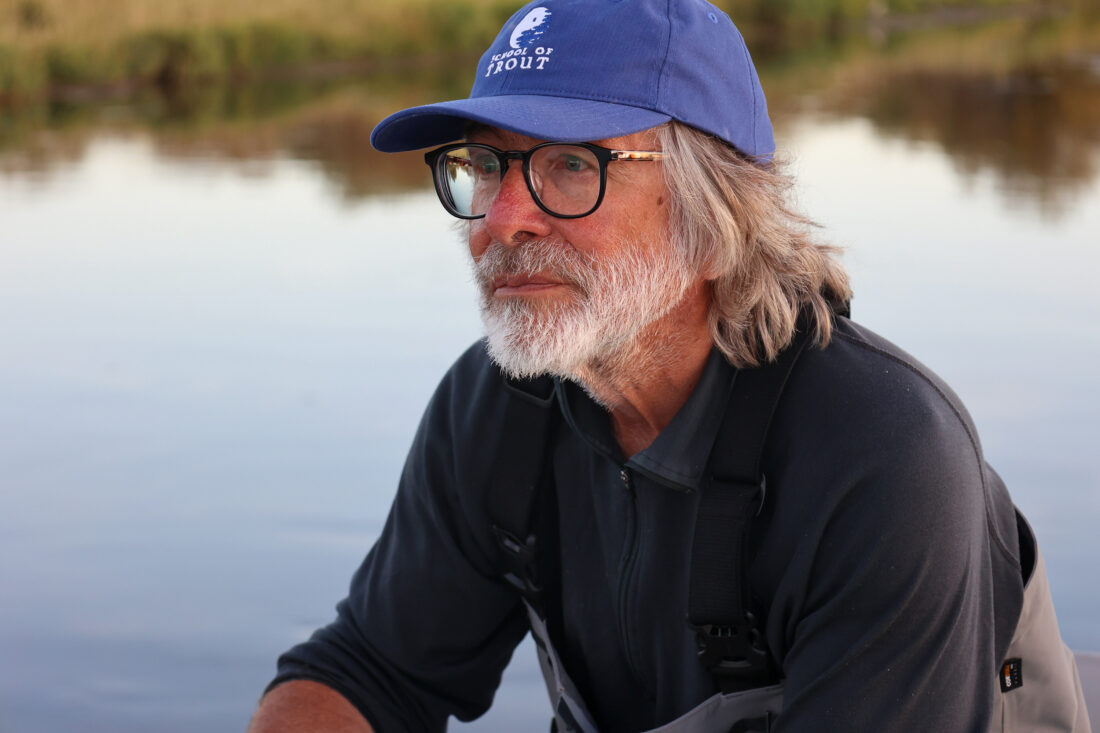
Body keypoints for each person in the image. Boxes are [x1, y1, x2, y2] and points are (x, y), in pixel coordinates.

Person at [247, 0, 1091, 731]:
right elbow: (371, 671)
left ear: (712, 209)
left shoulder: (882, 457)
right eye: (486, 164)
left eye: (570, 164)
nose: (499, 221)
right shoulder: (494, 408)